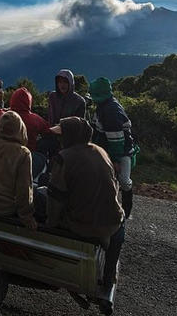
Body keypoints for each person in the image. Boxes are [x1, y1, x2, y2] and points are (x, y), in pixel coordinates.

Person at [46, 116, 125, 290]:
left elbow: (55, 199)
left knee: (40, 194)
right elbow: (115, 185)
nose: (58, 139)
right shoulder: (100, 151)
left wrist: (50, 227)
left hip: (83, 226)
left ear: (70, 137)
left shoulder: (64, 158)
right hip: (113, 223)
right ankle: (109, 274)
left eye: (61, 135)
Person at [89, 77, 138, 219]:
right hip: (108, 149)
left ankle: (124, 211)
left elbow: (116, 139)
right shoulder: (105, 105)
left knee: (123, 181)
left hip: (119, 151)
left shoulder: (110, 110)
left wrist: (115, 160)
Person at [0, 87, 53, 179]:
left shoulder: (4, 117)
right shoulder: (36, 119)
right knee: (41, 157)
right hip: (26, 155)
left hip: (4, 155)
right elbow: (48, 129)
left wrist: (5, 110)